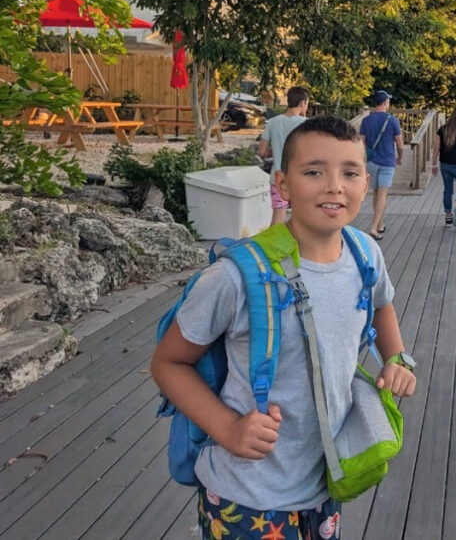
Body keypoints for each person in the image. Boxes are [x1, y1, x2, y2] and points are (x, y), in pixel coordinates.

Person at [151, 116, 417, 540]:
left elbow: (382, 304)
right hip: (247, 496)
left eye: (349, 173)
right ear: (283, 184)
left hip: (325, 484)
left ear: (366, 183)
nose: (334, 186)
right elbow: (169, 362)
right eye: (314, 172)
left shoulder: (365, 252)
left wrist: (396, 357)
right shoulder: (236, 277)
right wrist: (229, 429)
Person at [258, 86, 310, 224]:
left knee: (278, 217)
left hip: (278, 177)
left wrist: (275, 150)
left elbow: (261, 151)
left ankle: (272, 245)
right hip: (301, 178)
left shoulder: (273, 122)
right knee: (303, 217)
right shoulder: (307, 124)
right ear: (302, 103)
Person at [359, 90, 403, 240]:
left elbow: (361, 142)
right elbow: (400, 144)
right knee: (383, 195)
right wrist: (400, 157)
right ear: (385, 103)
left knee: (376, 194)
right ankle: (373, 227)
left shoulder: (366, 121)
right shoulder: (393, 120)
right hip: (387, 161)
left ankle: (380, 223)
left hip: (371, 161)